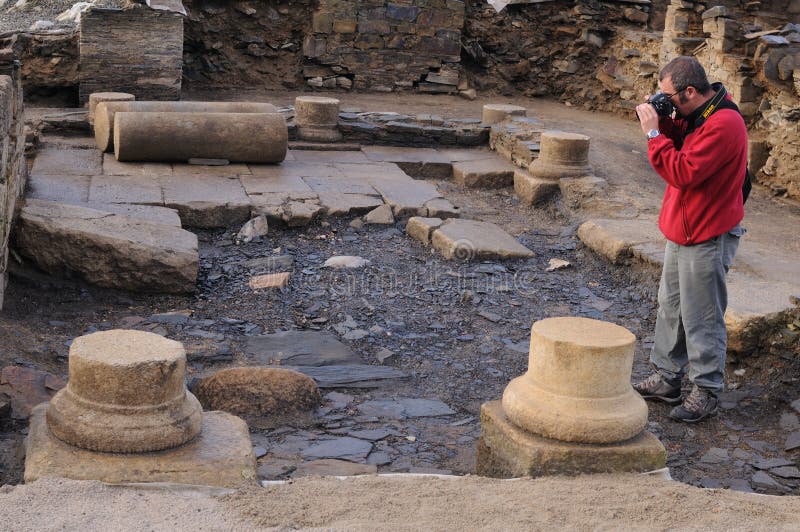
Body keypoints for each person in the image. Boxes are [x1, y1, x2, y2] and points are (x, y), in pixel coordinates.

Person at [633, 56, 748, 423]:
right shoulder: (698, 114)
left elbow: (683, 170)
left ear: (691, 92)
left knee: (702, 315)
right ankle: (668, 378)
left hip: (708, 233)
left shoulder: (725, 123)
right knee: (671, 306)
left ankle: (707, 390)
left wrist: (653, 133)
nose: (665, 102)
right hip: (684, 227)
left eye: (669, 97)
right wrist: (663, 118)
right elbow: (681, 137)